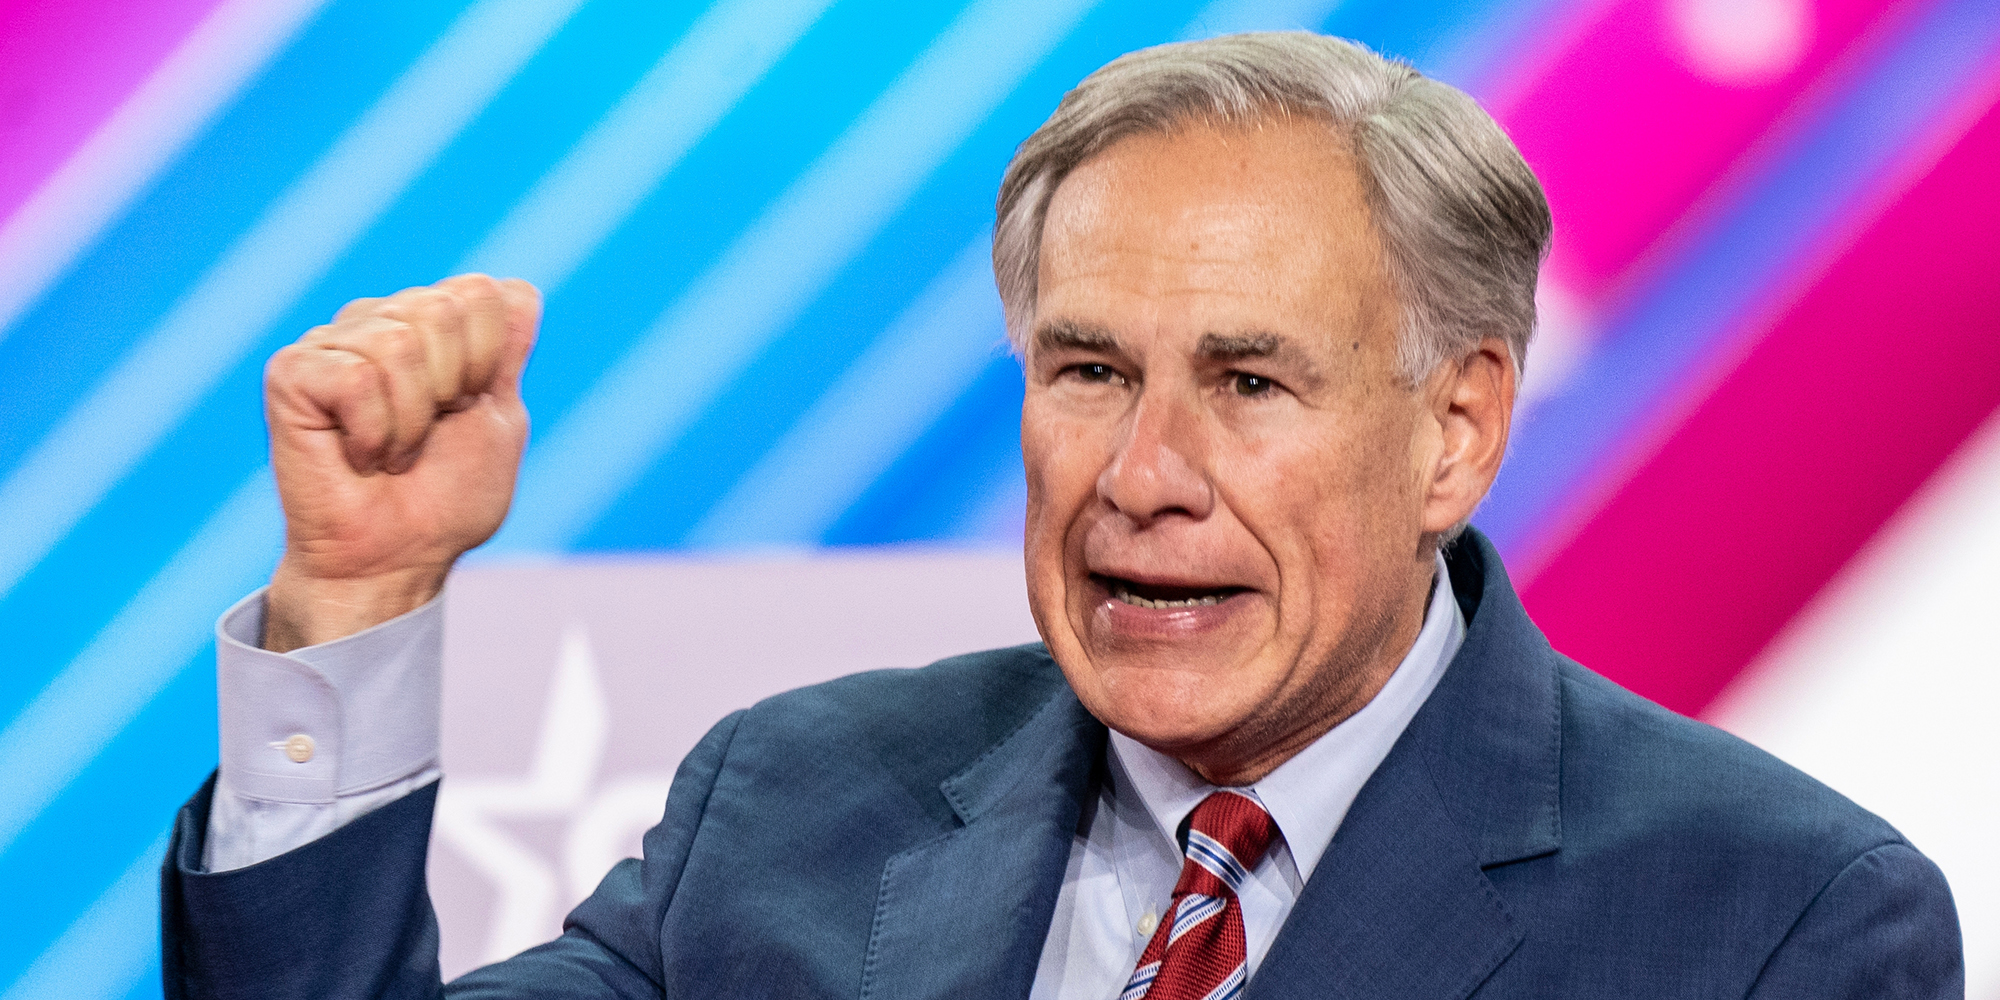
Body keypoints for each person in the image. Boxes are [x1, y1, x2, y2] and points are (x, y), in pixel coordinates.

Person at [160, 32, 1961, 1000]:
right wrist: (361, 591)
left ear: (1456, 430)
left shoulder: (1772, 922)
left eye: (1248, 383)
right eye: (1090, 369)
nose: (1141, 473)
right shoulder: (795, 803)